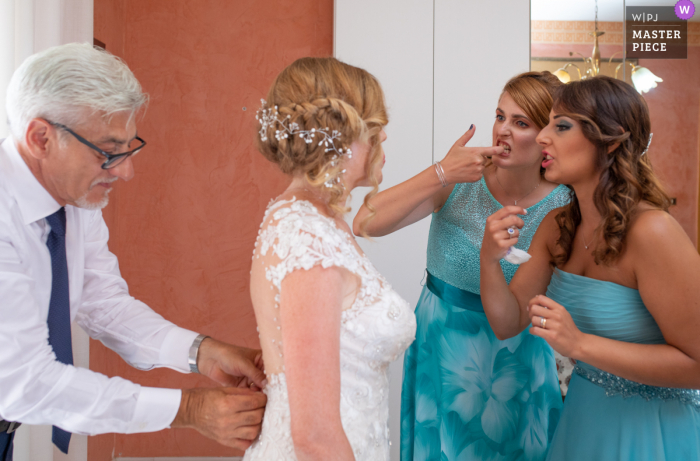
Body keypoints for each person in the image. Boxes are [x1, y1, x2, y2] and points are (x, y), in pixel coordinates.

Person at [0, 43, 267, 461]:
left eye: (128, 147)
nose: (125, 170)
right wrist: (187, 409)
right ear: (41, 138)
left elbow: (103, 303)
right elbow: (25, 382)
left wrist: (202, 352)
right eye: (108, 152)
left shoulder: (75, 196)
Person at [480, 75, 700, 460]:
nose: (543, 137)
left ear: (611, 140)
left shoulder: (653, 232)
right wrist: (489, 259)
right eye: (546, 124)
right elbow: (507, 322)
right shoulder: (558, 225)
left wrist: (579, 344)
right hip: (583, 420)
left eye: (561, 126)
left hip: (651, 430)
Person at [354, 71, 570, 461]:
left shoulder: (564, 207)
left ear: (546, 140)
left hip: (516, 354)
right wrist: (441, 171)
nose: (502, 130)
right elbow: (366, 222)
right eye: (500, 116)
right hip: (443, 347)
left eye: (520, 123)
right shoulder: (463, 177)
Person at [243, 57, 416, 461]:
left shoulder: (317, 220)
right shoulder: (308, 242)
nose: (384, 138)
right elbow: (315, 436)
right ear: (340, 136)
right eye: (373, 130)